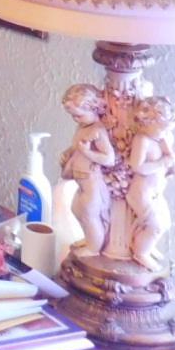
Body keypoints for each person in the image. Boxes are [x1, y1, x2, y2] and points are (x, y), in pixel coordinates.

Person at [59, 83, 116, 255]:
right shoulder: (83, 127)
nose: (75, 119)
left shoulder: (98, 131)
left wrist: (87, 152)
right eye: (72, 116)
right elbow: (77, 146)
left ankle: (94, 248)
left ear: (93, 108)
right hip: (81, 181)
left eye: (78, 115)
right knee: (77, 209)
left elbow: (109, 159)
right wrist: (68, 153)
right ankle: (90, 239)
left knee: (89, 214)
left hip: (92, 183)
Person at [126, 97, 175, 270]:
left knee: (165, 223)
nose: (164, 132)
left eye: (168, 129)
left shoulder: (164, 138)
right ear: (146, 123)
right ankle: (140, 252)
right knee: (155, 225)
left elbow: (171, 158)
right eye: (161, 128)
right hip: (141, 192)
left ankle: (146, 246)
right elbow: (137, 166)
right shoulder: (143, 140)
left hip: (156, 192)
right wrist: (162, 163)